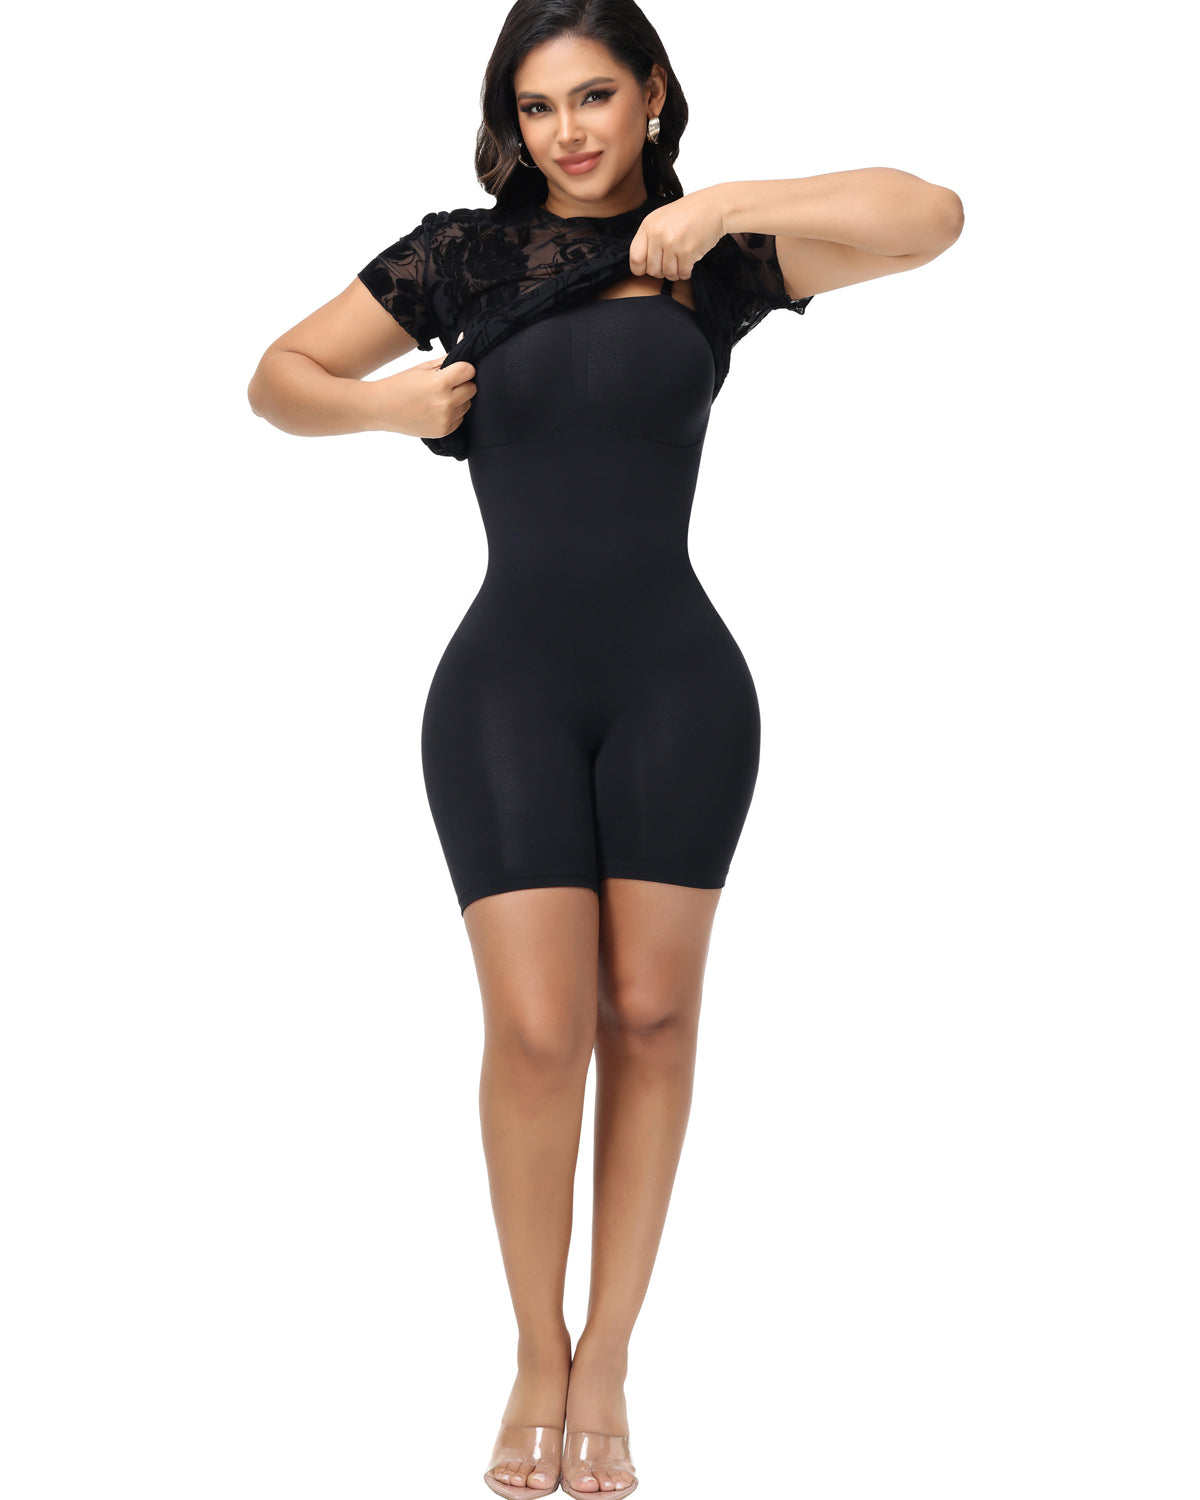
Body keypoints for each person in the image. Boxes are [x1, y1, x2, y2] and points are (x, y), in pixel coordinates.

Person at [247, 2, 964, 1494]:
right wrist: (384, 409)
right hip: (504, 685)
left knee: (650, 1017)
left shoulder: (719, 260)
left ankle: (611, 1359)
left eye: (591, 96)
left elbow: (931, 218)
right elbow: (277, 377)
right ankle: (533, 1349)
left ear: (651, 95)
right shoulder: (461, 255)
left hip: (678, 687)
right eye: (537, 106)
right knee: (537, 1029)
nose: (565, 132)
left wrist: (724, 206)